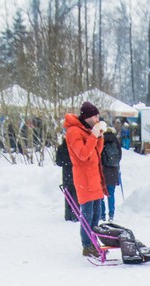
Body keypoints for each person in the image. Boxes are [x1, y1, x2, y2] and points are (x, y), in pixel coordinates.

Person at [63, 101, 107, 256]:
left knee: (97, 214)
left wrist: (99, 137)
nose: (97, 119)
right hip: (85, 180)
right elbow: (83, 154)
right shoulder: (74, 131)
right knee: (87, 216)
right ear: (87, 117)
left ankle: (93, 243)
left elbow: (96, 152)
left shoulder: (87, 130)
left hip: (94, 178)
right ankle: (87, 245)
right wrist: (94, 136)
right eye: (95, 116)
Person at [54, 134, 77, 222]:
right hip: (75, 172)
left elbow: (59, 162)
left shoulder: (61, 148)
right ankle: (75, 214)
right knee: (75, 195)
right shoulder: (74, 147)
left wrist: (65, 162)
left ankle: (68, 215)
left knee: (67, 194)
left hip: (66, 174)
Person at [102, 124, 122, 222]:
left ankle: (102, 214)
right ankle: (111, 214)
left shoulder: (101, 140)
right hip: (113, 171)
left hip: (103, 171)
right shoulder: (115, 141)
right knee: (111, 194)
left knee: (101, 195)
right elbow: (119, 157)